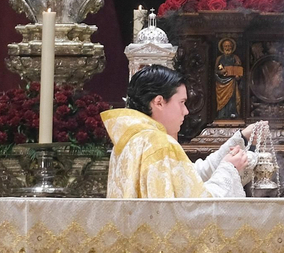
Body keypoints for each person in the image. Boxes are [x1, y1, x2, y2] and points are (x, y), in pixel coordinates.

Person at [104, 65, 253, 199]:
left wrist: (241, 138)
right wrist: (229, 169)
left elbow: (190, 177)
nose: (186, 111)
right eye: (182, 102)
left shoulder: (128, 142)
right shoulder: (161, 143)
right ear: (159, 102)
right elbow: (198, 207)